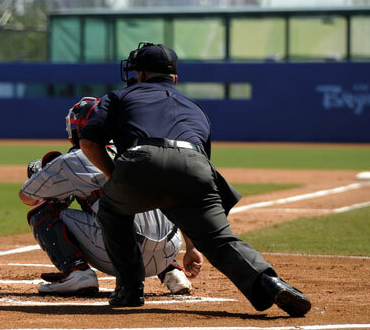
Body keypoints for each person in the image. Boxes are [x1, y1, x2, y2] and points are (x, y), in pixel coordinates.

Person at [79, 42, 311, 316]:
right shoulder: (195, 107)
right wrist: (191, 244)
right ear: (174, 78)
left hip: (141, 160)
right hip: (195, 166)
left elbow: (89, 143)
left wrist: (115, 177)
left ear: (139, 75)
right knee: (219, 239)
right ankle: (270, 281)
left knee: (112, 211)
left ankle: (130, 289)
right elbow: (188, 178)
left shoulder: (120, 97)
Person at [19, 97, 193, 296]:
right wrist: (191, 247)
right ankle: (172, 272)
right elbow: (179, 199)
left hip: (123, 254)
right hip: (170, 247)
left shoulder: (74, 159)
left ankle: (77, 273)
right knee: (142, 204)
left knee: (42, 211)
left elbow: (27, 196)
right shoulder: (141, 146)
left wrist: (54, 195)